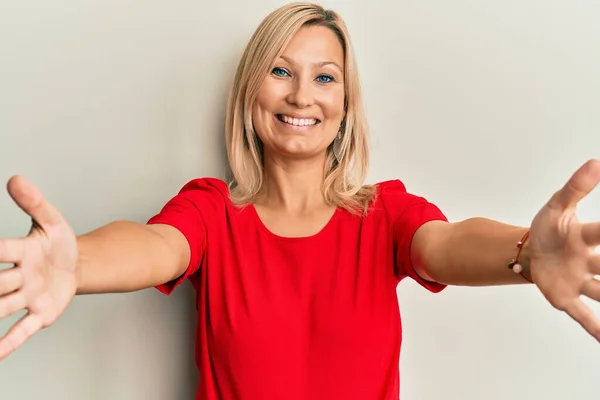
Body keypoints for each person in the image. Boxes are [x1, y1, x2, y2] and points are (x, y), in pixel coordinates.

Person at [0, 2, 598, 399]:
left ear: (344, 106)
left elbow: (444, 245)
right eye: (281, 71)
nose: (302, 95)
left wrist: (523, 253)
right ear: (252, 89)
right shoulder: (212, 213)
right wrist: (76, 263)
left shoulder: (383, 215)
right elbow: (156, 247)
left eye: (325, 76)